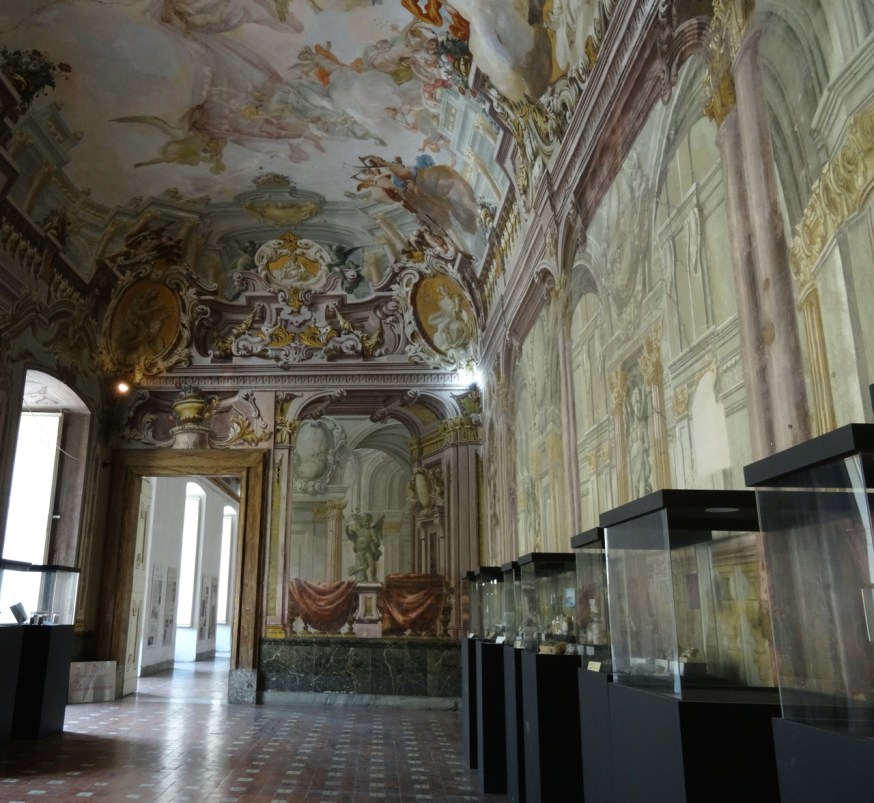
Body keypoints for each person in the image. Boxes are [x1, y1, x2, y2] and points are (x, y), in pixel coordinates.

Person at [346, 512, 385, 582]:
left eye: (367, 522)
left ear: (370, 522)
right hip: (359, 551)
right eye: (364, 522)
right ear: (361, 522)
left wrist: (374, 544)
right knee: (362, 567)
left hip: (368, 550)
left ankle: (374, 578)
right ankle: (363, 579)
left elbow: (377, 541)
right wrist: (346, 530)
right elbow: (351, 536)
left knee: (371, 564)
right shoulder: (359, 530)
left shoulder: (371, 531)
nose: (366, 523)